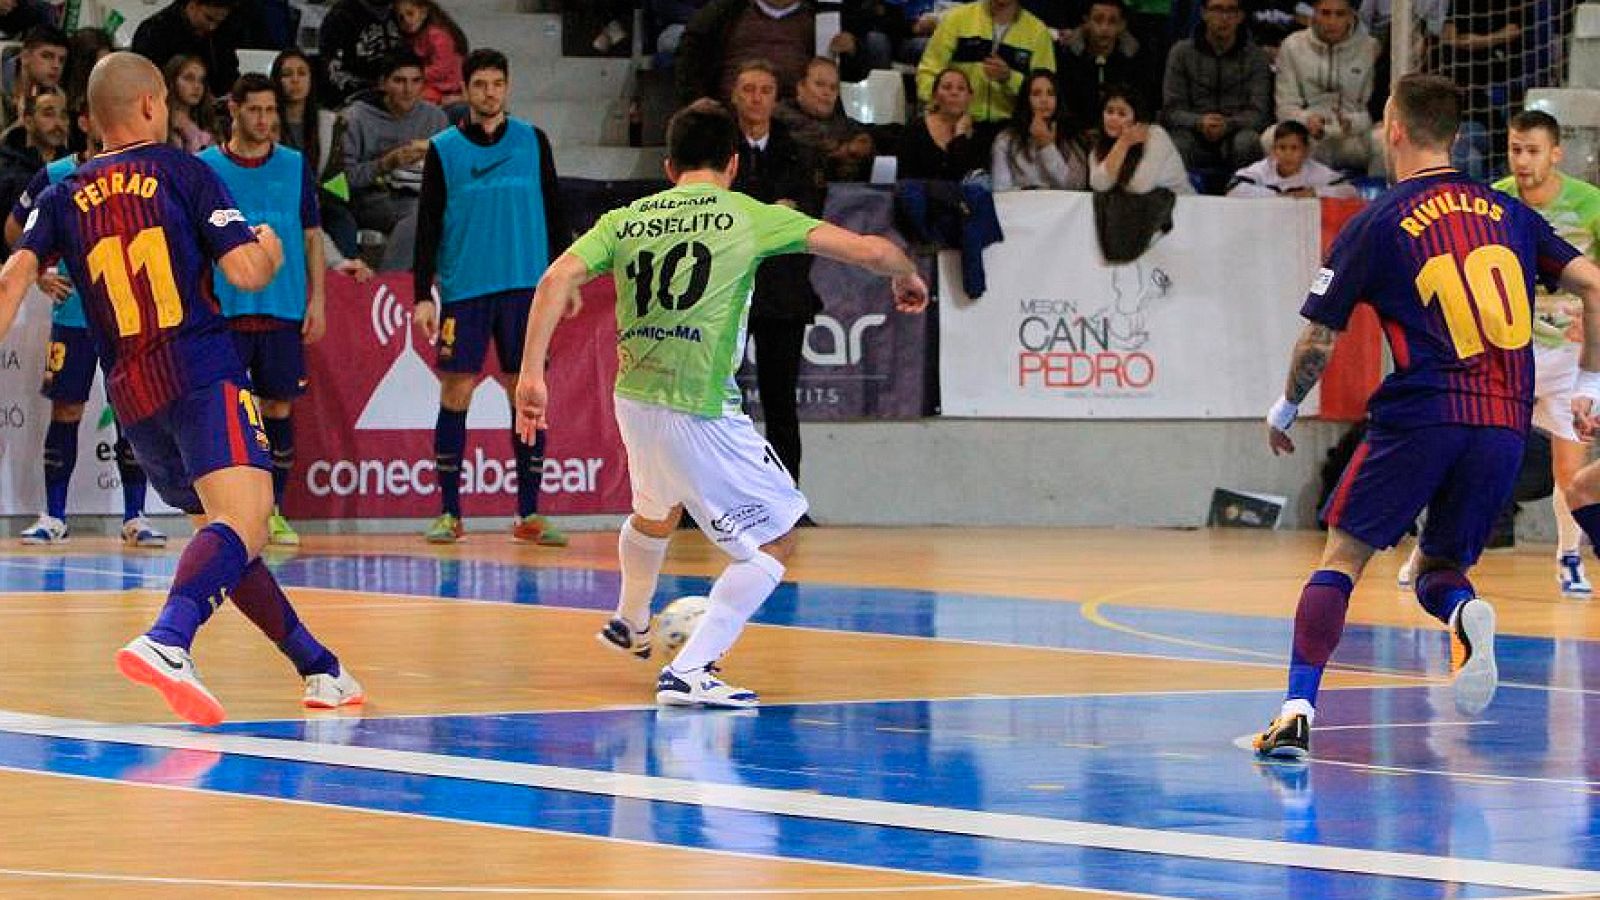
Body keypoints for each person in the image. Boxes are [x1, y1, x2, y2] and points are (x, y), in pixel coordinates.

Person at [512, 98, 929, 707]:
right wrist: (904, 273)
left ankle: (630, 621)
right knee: (778, 540)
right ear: (734, 164)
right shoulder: (747, 215)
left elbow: (555, 281)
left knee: (656, 513)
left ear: (668, 164)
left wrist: (531, 376)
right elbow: (866, 249)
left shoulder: (628, 218)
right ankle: (691, 669)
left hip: (634, 398)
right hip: (699, 407)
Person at [0, 52, 364, 725]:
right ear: (147, 106)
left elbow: (12, 279)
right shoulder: (184, 171)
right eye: (165, 100)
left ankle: (321, 668)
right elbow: (249, 272)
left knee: (225, 536)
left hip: (134, 395)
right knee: (245, 520)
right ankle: (170, 637)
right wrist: (271, 248)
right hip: (198, 368)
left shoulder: (59, 196)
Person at [1252, 74, 1600, 759]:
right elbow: (1592, 282)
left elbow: (1320, 337)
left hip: (1424, 413)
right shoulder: (1509, 213)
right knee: (1440, 565)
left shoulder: (1378, 221)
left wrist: (1287, 406)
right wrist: (1591, 380)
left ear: (1395, 127)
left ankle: (1296, 711)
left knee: (1342, 560)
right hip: (1504, 424)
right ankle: (1465, 614)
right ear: (1460, 136)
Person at [1397, 112, 1600, 597]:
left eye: (1533, 150)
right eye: (1515, 149)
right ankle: (1427, 552)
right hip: (1503, 352)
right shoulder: (1493, 201)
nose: (1523, 160)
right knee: (1460, 454)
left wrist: (1588, 321)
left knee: (1570, 468)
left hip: (1567, 356)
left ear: (1556, 154)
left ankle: (1569, 560)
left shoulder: (1590, 204)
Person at [412, 49, 568, 546]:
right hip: (465, 291)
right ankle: (449, 513)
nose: (489, 92)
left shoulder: (532, 141)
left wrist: (566, 278)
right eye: (479, 84)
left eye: (497, 83)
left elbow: (554, 209)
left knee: (524, 396)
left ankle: (529, 513)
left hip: (526, 288)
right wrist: (422, 294)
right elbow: (428, 225)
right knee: (455, 391)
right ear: (465, 89)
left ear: (507, 87)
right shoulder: (443, 150)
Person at [4, 104, 167, 548]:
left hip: (129, 315)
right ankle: (53, 516)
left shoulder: (139, 174)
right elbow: (14, 230)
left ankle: (136, 516)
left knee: (134, 413)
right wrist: (38, 271)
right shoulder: (55, 176)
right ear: (84, 123)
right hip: (75, 314)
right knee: (67, 410)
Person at [198, 74, 327, 547]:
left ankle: (273, 511)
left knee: (277, 406)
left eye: (272, 111)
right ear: (233, 109)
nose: (266, 120)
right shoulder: (206, 167)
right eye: (255, 110)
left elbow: (312, 236)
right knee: (226, 413)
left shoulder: (295, 165)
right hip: (224, 311)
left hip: (283, 308)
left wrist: (317, 300)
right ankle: (227, 512)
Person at [729, 61, 824, 496]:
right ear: (735, 94)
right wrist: (770, 209)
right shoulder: (718, 150)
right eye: (748, 89)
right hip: (728, 290)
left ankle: (787, 500)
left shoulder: (795, 150)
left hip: (783, 292)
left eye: (765, 90)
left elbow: (800, 215)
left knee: (780, 401)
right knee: (713, 403)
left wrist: (758, 211)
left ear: (775, 96)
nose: (756, 98)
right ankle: (703, 504)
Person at [341, 50, 448, 271]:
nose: (409, 90)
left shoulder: (435, 117)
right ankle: (389, 284)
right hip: (373, 198)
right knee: (423, 216)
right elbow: (344, 180)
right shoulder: (356, 117)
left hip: (423, 193)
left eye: (416, 81)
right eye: (399, 81)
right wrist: (385, 164)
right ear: (383, 84)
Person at [1161, 0, 1272, 175]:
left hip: (1237, 131)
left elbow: (1259, 113)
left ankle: (1245, 195)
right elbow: (1171, 110)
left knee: (1248, 142)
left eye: (1231, 11)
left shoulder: (1256, 57)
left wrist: (1228, 124)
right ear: (1204, 13)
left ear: (1241, 16)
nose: (1224, 18)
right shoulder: (1181, 53)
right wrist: (1199, 122)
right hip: (1192, 131)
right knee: (1175, 144)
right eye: (1217, 9)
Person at [915, 0, 1056, 136]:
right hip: (956, 122)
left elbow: (1047, 91)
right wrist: (943, 106)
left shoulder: (1038, 32)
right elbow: (928, 72)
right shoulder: (957, 19)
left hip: (1013, 129)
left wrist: (1010, 79)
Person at [1272, 0, 1380, 173]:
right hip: (1307, 132)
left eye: (1339, 14)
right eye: (1325, 13)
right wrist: (1305, 120)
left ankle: (1384, 198)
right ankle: (1290, 195)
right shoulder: (1292, 46)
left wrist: (1352, 123)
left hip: (1354, 134)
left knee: (1383, 142)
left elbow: (1374, 109)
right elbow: (1285, 105)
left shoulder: (1370, 48)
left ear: (1351, 16)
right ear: (1314, 13)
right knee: (1270, 139)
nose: (1332, 21)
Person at [773, 57, 873, 184]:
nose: (827, 92)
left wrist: (864, 142)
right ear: (801, 87)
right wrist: (847, 149)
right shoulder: (778, 114)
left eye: (833, 88)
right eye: (819, 84)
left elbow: (866, 140)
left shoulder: (844, 123)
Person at [992, 69, 1088, 191]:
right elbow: (1001, 190)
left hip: (1061, 207)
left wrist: (1047, 147)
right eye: (1036, 94)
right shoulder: (1006, 139)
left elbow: (1075, 187)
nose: (1044, 100)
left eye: (1051, 93)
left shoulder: (1072, 136)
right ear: (1026, 99)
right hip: (1021, 207)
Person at [1088, 83, 1191, 194]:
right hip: (1135, 209)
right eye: (1109, 111)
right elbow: (1099, 184)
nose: (1113, 118)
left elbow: (1139, 187)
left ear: (1136, 119)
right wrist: (1122, 144)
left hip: (1182, 206)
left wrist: (1124, 142)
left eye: (1122, 114)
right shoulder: (1100, 146)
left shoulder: (1156, 135)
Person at [131, 0, 243, 97]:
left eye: (219, 22)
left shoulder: (222, 32)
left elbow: (229, 74)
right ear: (193, 4)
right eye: (208, 18)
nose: (212, 27)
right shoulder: (153, 32)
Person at [1226, 120, 1357, 198]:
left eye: (1294, 148)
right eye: (1282, 148)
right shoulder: (1262, 168)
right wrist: (1277, 196)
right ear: (1273, 150)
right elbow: (1233, 188)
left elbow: (1350, 192)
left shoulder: (1317, 171)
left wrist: (1314, 192)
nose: (1287, 154)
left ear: (1305, 151)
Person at [897, 67, 986, 181]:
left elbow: (968, 179)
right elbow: (902, 175)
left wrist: (960, 136)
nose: (954, 93)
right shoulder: (915, 129)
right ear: (935, 95)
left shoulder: (979, 134)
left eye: (961, 88)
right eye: (947, 87)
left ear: (970, 97)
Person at [320, 0, 404, 107]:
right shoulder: (341, 15)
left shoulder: (404, 10)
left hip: (402, 98)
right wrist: (372, 91)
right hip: (355, 102)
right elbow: (331, 70)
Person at [395, 0, 467, 109]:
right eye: (401, 18)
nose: (406, 20)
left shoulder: (438, 35)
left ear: (423, 13)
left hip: (447, 85)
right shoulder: (415, 36)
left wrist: (414, 76)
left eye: (410, 13)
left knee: (414, 98)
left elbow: (441, 69)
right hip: (431, 83)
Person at [1, 24, 67, 129]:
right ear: (25, 57)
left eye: (61, 60)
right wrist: (17, 129)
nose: (56, 65)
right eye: (47, 56)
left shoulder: (57, 97)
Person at [163, 55, 216, 153]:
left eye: (201, 80)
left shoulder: (208, 121)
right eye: (189, 78)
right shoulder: (161, 123)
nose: (197, 86)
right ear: (172, 81)